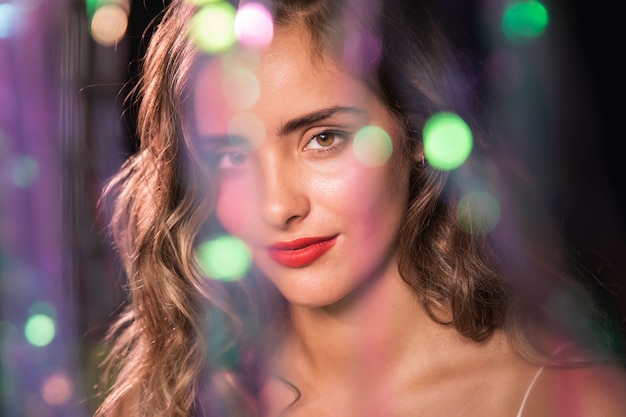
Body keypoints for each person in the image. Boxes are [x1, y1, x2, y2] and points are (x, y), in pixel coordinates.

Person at [94, 0, 626, 416]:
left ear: (417, 130)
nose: (277, 206)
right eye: (230, 155)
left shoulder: (564, 400)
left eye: (324, 137)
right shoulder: (164, 402)